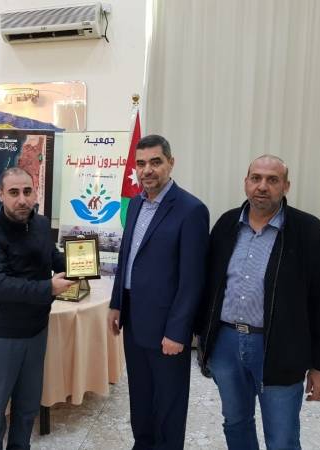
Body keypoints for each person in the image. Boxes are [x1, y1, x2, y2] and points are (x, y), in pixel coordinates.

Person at [199, 155, 320, 450]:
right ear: (246, 182)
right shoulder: (226, 225)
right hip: (226, 345)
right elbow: (208, 285)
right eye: (256, 178)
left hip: (280, 350)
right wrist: (204, 340)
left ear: (286, 186)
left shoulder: (310, 233)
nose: (262, 186)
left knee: (282, 438)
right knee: (235, 423)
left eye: (272, 180)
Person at [108, 134, 210, 450]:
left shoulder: (191, 210)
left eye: (155, 162)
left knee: (168, 402)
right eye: (141, 163)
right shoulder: (136, 204)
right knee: (140, 396)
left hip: (167, 329)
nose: (147, 170)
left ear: (170, 163)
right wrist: (116, 304)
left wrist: (178, 332)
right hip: (134, 320)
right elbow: (127, 257)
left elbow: (193, 278)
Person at [0, 167, 74, 450]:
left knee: (28, 407)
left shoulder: (40, 224)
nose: (22, 200)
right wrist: (48, 288)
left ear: (35, 192)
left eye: (27, 191)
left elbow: (51, 257)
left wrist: (80, 263)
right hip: (1, 337)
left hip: (36, 331)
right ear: (0, 195)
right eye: (14, 192)